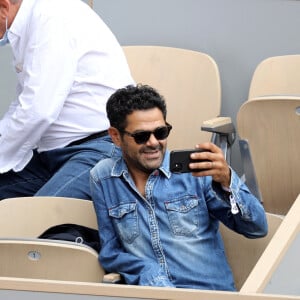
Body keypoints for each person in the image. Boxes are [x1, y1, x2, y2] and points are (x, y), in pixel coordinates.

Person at [90, 84, 268, 291]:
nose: (153, 143)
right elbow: (111, 253)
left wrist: (228, 180)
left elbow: (257, 228)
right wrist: (149, 273)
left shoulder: (196, 173)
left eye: (161, 132)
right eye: (141, 136)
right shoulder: (103, 178)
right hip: (151, 294)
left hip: (206, 295)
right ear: (115, 136)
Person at [0, 0, 134, 199]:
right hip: (54, 155)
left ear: (3, 6)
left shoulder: (50, 16)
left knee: (36, 219)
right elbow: (23, 103)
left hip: (100, 148)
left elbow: (38, 111)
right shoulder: (30, 24)